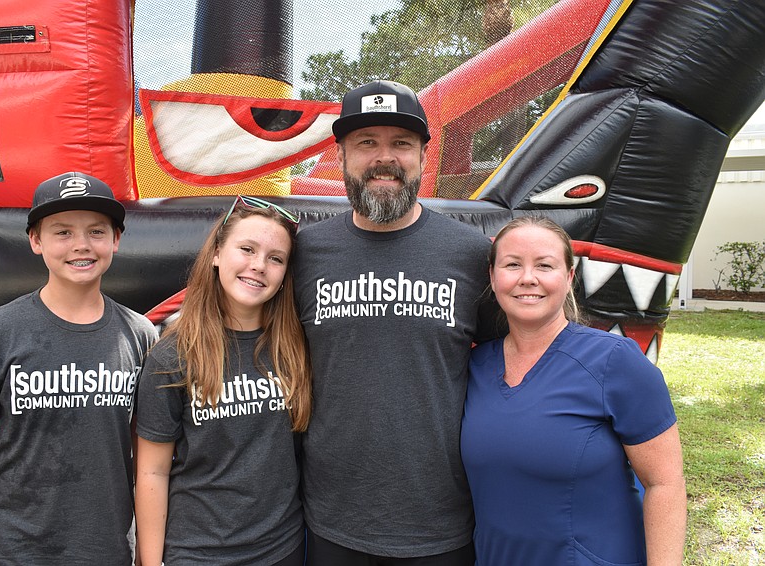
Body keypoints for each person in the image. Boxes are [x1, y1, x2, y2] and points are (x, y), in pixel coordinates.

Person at [293, 80, 499, 565]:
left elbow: (512, 364)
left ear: (424, 158)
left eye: (401, 143)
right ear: (341, 155)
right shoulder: (305, 253)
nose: (384, 158)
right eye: (367, 143)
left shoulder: (471, 255)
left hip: (442, 522)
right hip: (330, 519)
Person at [0, 172, 158, 565]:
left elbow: (149, 456)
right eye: (62, 232)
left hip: (107, 550)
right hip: (14, 550)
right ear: (35, 240)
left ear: (116, 239)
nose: (81, 245)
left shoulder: (140, 335)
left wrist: (148, 555)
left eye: (96, 231)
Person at [461, 216, 687, 565]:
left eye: (545, 265)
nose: (528, 278)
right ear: (492, 277)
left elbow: (665, 484)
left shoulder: (615, 362)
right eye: (512, 265)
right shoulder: (475, 367)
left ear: (568, 278)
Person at [134, 195, 311, 566]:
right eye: (246, 249)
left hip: (282, 549)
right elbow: (151, 471)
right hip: (198, 552)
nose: (258, 266)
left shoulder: (296, 349)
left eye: (275, 258)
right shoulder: (171, 356)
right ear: (216, 254)